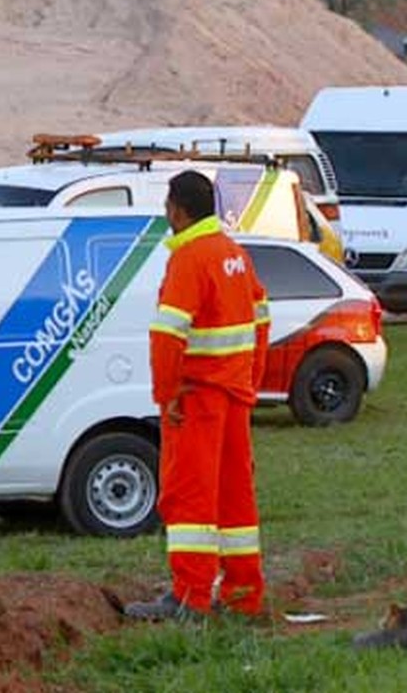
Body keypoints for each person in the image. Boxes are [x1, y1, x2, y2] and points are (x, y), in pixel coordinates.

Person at [124, 171, 270, 623]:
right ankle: (243, 592)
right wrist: (249, 381)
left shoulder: (190, 257)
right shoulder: (235, 255)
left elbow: (167, 333)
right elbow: (261, 319)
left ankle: (190, 596)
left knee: (189, 498)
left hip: (197, 398)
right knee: (234, 498)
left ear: (177, 209)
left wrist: (166, 394)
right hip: (232, 396)